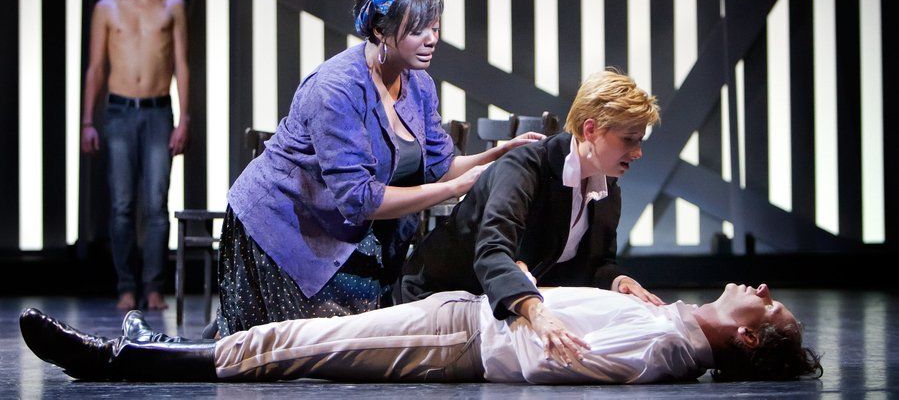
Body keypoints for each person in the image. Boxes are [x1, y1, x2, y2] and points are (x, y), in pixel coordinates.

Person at [215, 0, 541, 336]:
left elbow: (440, 166)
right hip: (284, 228)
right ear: (379, 31)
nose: (431, 39)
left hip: (342, 232)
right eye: (418, 30)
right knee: (285, 347)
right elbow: (359, 198)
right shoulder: (336, 89)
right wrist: (455, 188)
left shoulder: (418, 84)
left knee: (353, 343)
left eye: (435, 28)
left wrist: (498, 155)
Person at [19, 282, 822, 383]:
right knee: (299, 335)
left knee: (298, 348)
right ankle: (148, 349)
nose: (759, 291)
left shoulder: (667, 347)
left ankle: (115, 360)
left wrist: (530, 317)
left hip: (467, 337)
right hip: (463, 318)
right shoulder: (673, 324)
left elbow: (566, 362)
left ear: (749, 341)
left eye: (769, 307)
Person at [396, 70, 661, 358]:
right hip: (445, 297)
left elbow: (596, 263)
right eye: (629, 139)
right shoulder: (523, 168)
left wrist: (619, 282)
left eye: (640, 141)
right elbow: (492, 254)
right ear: (590, 130)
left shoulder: (606, 187)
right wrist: (535, 310)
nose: (638, 152)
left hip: (501, 306)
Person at [80, 0, 190, 312]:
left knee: (157, 205)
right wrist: (87, 122)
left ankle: (154, 287)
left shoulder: (172, 5)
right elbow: (96, 67)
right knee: (122, 205)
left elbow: (182, 64)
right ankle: (127, 287)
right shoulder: (107, 8)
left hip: (159, 112)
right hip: (119, 112)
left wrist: (185, 119)